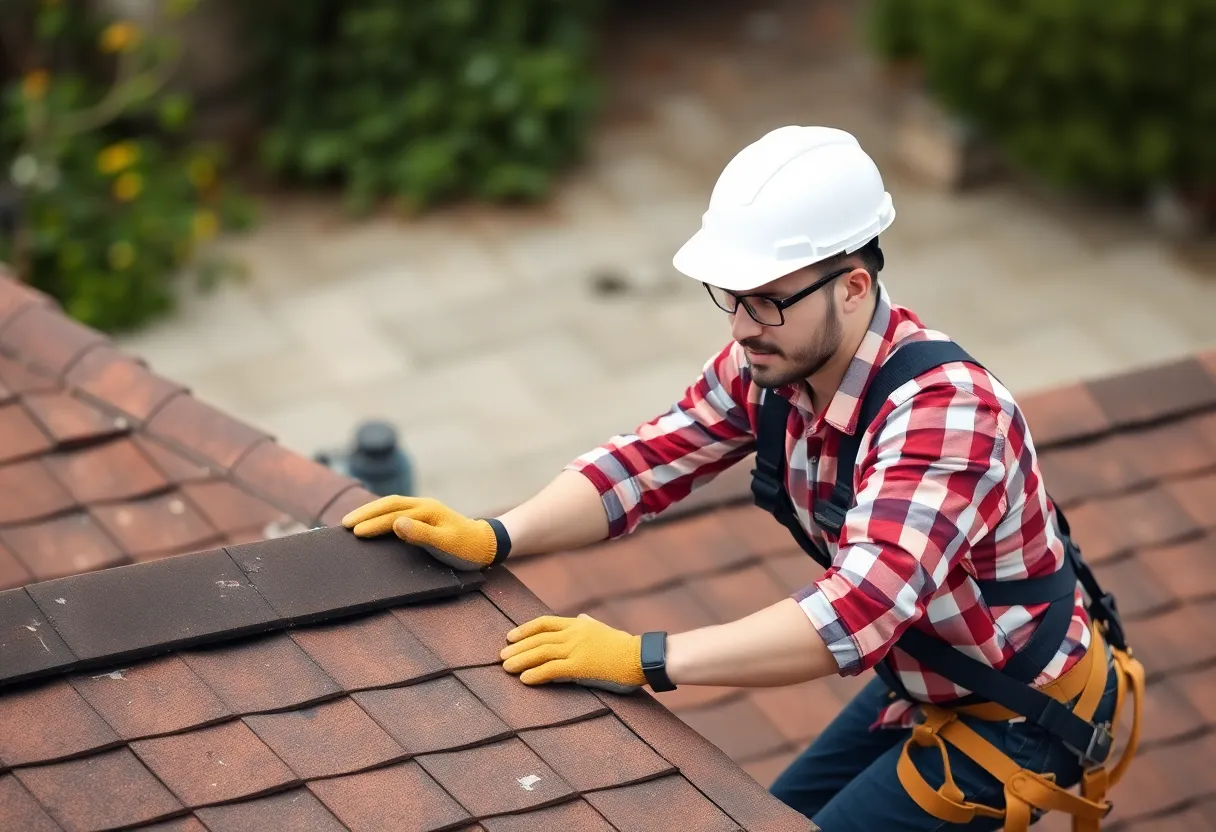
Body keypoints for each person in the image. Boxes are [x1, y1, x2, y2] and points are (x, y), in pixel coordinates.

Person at [341, 126, 1142, 831]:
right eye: (729, 297)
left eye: (766, 301)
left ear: (853, 288)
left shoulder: (944, 414)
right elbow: (646, 461)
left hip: (1021, 716)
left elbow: (857, 611)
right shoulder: (772, 361)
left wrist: (643, 658)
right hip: (925, 677)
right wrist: (497, 534)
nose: (740, 326)